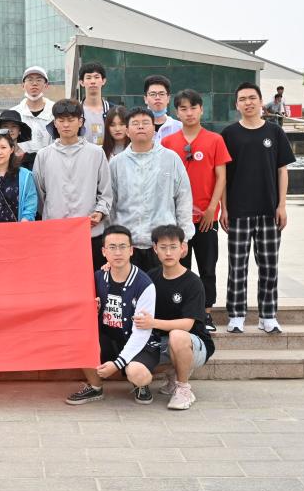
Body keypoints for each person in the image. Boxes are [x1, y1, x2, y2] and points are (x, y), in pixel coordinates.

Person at [221, 82, 296, 334]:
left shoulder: (274, 132)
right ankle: (236, 315)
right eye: (242, 99)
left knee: (269, 266)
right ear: (236, 105)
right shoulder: (229, 134)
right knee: (237, 267)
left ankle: (268, 315)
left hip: (268, 211)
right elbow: (222, 176)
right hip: (238, 211)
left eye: (252, 98)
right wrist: (224, 208)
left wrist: (282, 205)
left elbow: (282, 171)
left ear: (261, 101)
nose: (248, 103)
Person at [161, 90, 231, 331]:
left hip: (206, 218)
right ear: (176, 112)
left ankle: (206, 313)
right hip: (177, 220)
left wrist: (213, 208)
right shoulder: (168, 142)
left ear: (201, 110)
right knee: (179, 266)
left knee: (207, 266)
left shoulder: (215, 140)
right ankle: (182, 313)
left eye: (193, 108)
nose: (189, 113)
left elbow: (221, 177)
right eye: (183, 109)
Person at [65, 225, 156, 406]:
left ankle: (141, 385)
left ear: (131, 250)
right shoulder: (98, 277)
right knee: (79, 337)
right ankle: (95, 387)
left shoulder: (144, 284)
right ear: (104, 251)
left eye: (123, 247)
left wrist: (117, 364)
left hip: (137, 342)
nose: (118, 252)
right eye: (112, 247)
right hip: (108, 339)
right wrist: (94, 310)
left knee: (138, 373)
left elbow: (142, 332)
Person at [133, 225, 216, 410]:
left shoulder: (193, 282)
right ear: (155, 249)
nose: (168, 252)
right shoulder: (151, 277)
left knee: (177, 335)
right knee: (135, 364)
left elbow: (187, 324)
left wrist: (153, 323)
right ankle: (173, 374)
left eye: (173, 247)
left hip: (194, 344)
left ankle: (183, 388)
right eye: (163, 247)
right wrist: (109, 267)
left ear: (183, 248)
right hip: (162, 342)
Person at [109, 107, 194, 272]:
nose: (141, 126)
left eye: (145, 122)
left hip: (163, 243)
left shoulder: (171, 158)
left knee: (163, 287)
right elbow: (111, 205)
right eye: (135, 123)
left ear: (154, 129)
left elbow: (183, 198)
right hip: (128, 244)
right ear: (127, 131)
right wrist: (113, 239)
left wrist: (184, 237)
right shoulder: (116, 163)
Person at [32, 98, 112, 269]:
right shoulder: (43, 156)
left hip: (90, 233)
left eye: (71, 120)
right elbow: (39, 194)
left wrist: (99, 212)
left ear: (80, 121)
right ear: (55, 123)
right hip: (55, 233)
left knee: (91, 280)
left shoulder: (96, 153)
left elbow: (105, 191)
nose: (66, 125)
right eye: (61, 120)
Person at [10, 65, 54, 155]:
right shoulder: (14, 113)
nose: (34, 84)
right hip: (20, 162)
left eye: (39, 80)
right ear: (23, 85)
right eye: (30, 80)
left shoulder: (55, 111)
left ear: (46, 85)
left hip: (50, 160)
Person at [78, 62, 111, 147]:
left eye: (96, 77)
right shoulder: (75, 111)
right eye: (88, 78)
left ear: (103, 81)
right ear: (81, 82)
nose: (93, 81)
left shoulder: (112, 110)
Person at [143, 74, 183, 144]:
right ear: (145, 99)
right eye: (153, 94)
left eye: (161, 94)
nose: (157, 97)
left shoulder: (180, 128)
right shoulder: (138, 127)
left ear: (168, 99)